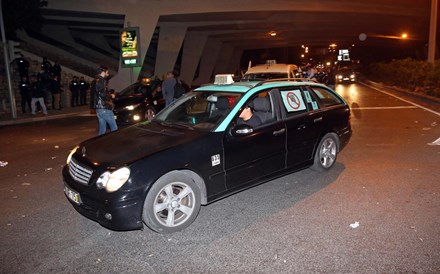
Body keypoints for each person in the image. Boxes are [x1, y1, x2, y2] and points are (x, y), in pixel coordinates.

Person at [92, 66, 118, 135]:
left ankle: (100, 143)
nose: (108, 74)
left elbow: (97, 93)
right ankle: (114, 143)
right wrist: (111, 95)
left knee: (102, 129)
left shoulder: (95, 80)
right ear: (103, 72)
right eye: (107, 72)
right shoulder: (101, 80)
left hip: (99, 108)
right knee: (114, 128)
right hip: (104, 108)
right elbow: (102, 93)